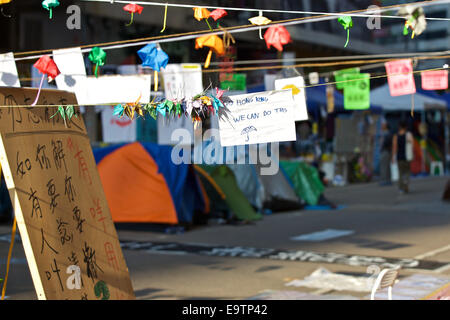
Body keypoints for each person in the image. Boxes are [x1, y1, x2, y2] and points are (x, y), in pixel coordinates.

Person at [392, 121, 414, 193]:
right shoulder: (408, 135)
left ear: (399, 127)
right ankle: (406, 184)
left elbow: (395, 147)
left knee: (400, 173)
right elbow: (412, 145)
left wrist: (393, 157)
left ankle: (401, 188)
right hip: (407, 156)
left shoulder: (396, 136)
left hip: (399, 157)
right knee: (407, 171)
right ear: (406, 127)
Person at [379, 122, 392, 186]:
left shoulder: (387, 134)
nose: (381, 126)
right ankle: (387, 180)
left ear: (386, 126)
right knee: (386, 166)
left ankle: (384, 180)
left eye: (383, 125)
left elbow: (386, 143)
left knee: (384, 166)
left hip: (385, 151)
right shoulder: (384, 133)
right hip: (385, 151)